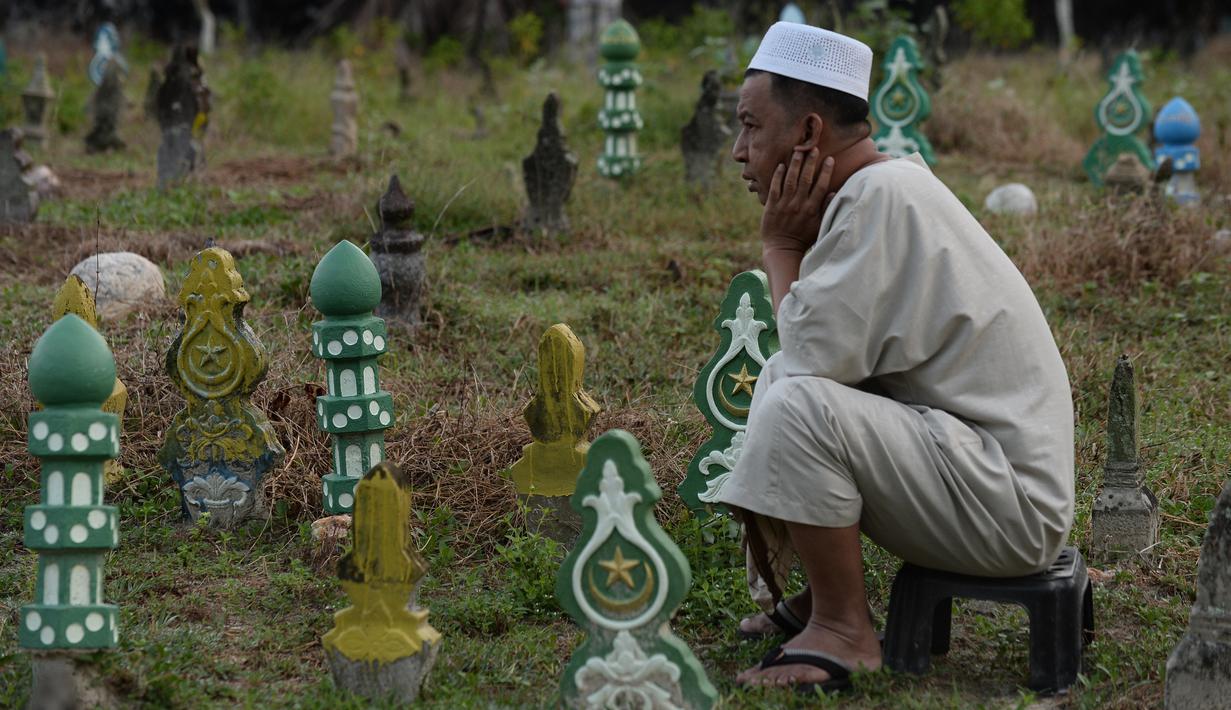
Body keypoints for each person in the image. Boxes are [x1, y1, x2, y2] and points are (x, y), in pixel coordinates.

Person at [715, 22, 1075, 693]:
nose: (739, 152)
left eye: (748, 127)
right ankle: (816, 601)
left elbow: (812, 363)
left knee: (797, 400)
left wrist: (778, 249)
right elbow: (822, 357)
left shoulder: (877, 200)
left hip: (1010, 509)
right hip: (986, 478)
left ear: (807, 134)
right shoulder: (883, 187)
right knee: (782, 381)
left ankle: (845, 631)